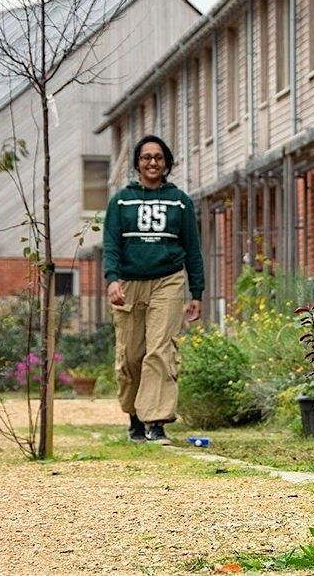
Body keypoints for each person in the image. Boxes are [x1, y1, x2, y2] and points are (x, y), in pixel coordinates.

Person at [103, 134, 204, 445]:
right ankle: (135, 417)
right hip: (129, 284)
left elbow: (193, 249)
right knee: (131, 355)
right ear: (137, 163)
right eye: (146, 157)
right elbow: (111, 245)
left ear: (167, 163)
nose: (152, 162)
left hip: (168, 281)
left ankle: (156, 422)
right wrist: (112, 279)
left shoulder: (179, 202)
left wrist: (196, 292)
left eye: (158, 157)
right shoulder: (121, 202)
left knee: (159, 350)